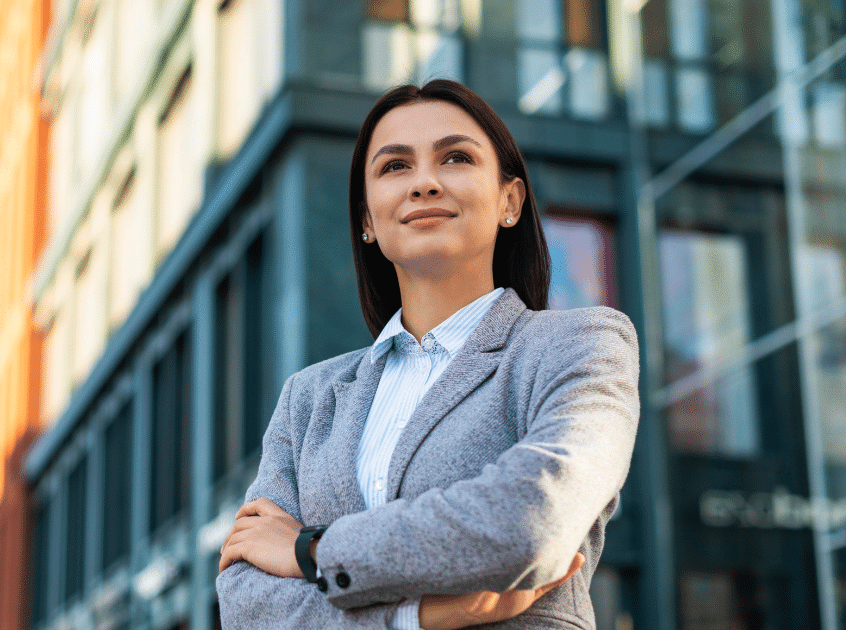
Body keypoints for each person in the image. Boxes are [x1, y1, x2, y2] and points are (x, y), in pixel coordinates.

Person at [215, 79, 640, 630]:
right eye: (395, 167)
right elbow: (246, 602)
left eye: (456, 158)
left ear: (509, 201)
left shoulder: (579, 345)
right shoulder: (310, 398)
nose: (425, 183)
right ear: (368, 220)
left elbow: (532, 518)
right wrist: (420, 616)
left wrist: (310, 549)